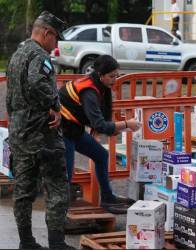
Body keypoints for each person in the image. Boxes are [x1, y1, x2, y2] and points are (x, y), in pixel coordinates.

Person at [6, 11, 76, 250]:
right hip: (43, 134)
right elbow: (37, 82)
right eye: (55, 38)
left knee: (24, 191)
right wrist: (54, 106)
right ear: (47, 33)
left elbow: (12, 96)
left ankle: (27, 242)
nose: (56, 44)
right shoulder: (39, 55)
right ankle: (56, 243)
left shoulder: (16, 55)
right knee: (57, 186)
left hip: (20, 134)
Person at [59, 55, 141, 214]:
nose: (114, 80)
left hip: (73, 128)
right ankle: (61, 213)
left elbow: (102, 117)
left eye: (117, 75)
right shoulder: (89, 90)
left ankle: (107, 197)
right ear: (100, 75)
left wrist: (112, 127)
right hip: (61, 131)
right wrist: (126, 124)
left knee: (101, 155)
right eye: (111, 76)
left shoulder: (102, 86)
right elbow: (99, 124)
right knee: (66, 173)